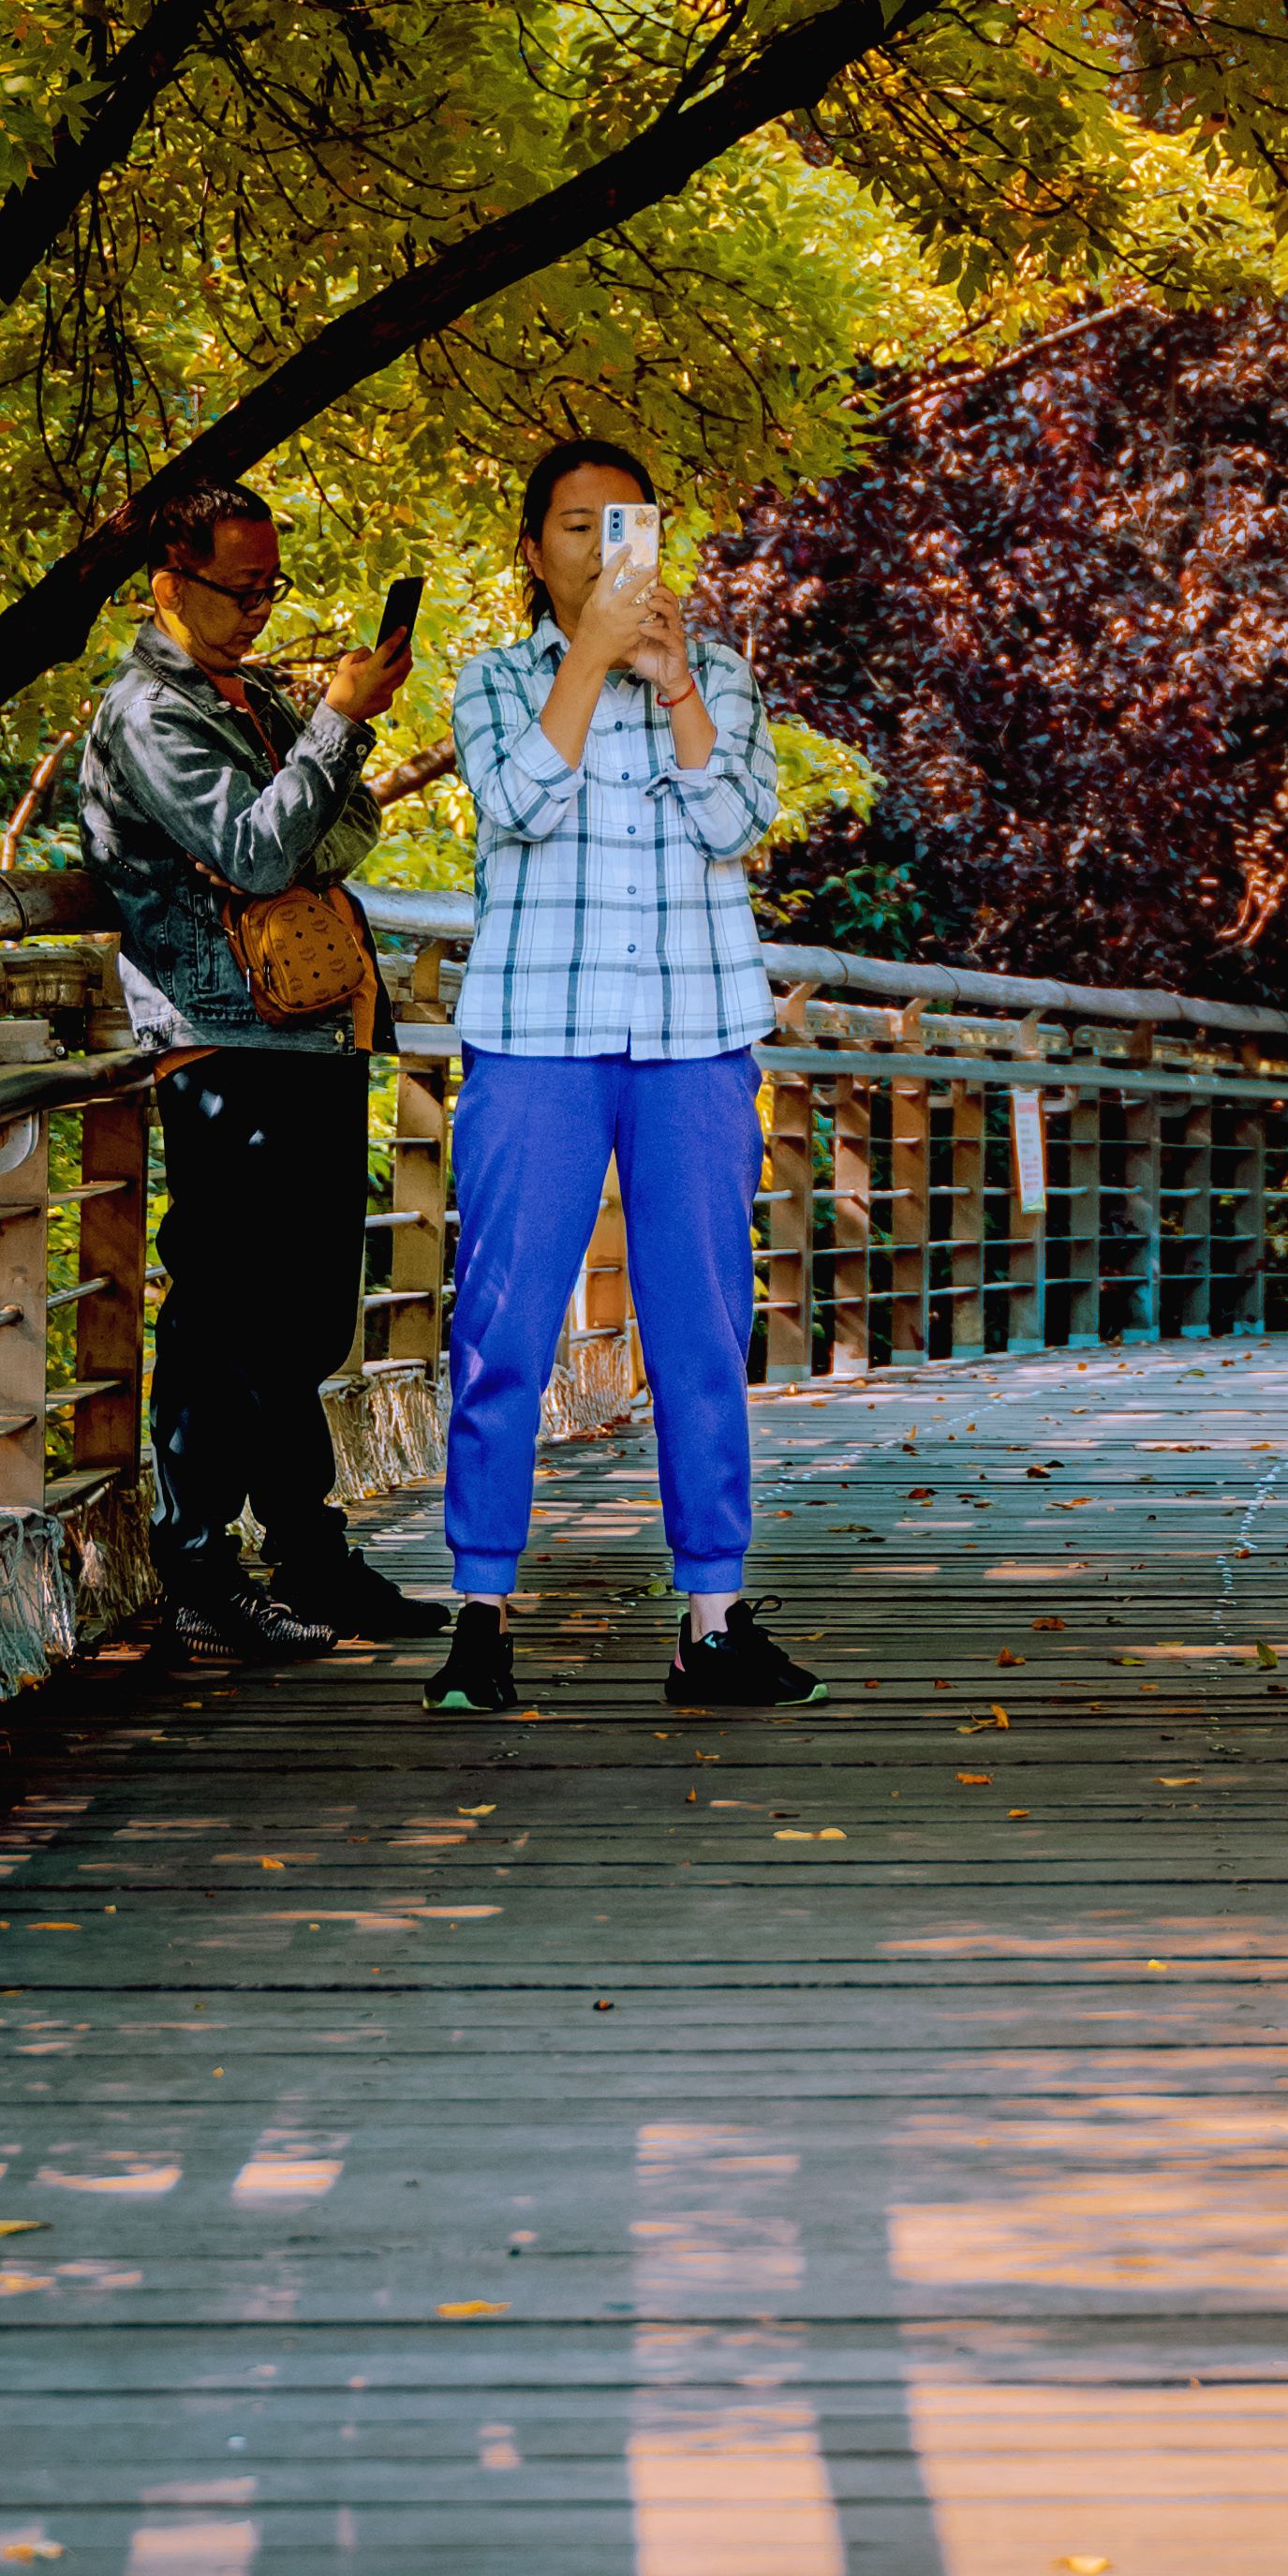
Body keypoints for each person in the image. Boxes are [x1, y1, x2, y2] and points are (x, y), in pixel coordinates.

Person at [427, 434, 819, 1719]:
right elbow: (517, 800)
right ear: (532, 548)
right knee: (502, 1334)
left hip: (694, 1036)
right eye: (575, 523)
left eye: (624, 522)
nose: (601, 544)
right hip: (536, 1037)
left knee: (701, 1331)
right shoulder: (491, 681)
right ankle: (478, 1616)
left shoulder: (718, 676)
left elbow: (733, 820)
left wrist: (675, 686)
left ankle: (712, 1621)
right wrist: (591, 660)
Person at [75, 483, 450, 1675]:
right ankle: (196, 1571)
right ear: (166, 583)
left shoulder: (259, 698)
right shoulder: (149, 711)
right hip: (222, 1038)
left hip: (317, 1025)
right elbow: (256, 848)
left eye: (266, 588)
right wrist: (334, 732)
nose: (253, 610)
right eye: (236, 589)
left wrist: (316, 756)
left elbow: (341, 841)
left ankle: (306, 1552)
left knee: (304, 1319)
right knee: (224, 1315)